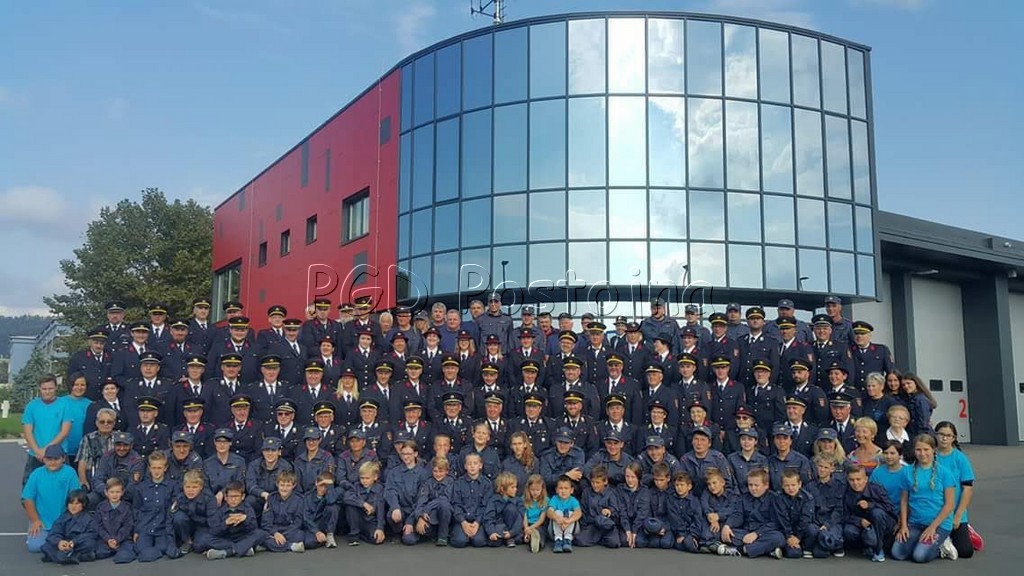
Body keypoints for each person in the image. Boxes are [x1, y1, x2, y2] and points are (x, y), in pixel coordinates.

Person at [892, 434, 959, 563]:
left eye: (926, 449)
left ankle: (942, 545)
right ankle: (920, 541)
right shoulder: (906, 472)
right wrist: (903, 525)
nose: (922, 453)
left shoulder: (945, 473)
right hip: (915, 522)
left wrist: (932, 527)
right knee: (898, 554)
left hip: (938, 524)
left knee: (919, 556)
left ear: (933, 450)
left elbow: (949, 505)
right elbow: (904, 500)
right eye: (918, 450)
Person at [22, 445, 80, 553]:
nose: (53, 462)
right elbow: (27, 498)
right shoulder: (36, 474)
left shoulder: (70, 473)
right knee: (35, 547)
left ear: (63, 458)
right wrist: (35, 520)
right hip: (43, 520)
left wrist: (73, 520)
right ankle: (56, 543)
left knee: (77, 543)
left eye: (56, 459)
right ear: (43, 459)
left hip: (64, 520)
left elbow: (76, 497)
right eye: (49, 459)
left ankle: (55, 542)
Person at [719, 468, 785, 558]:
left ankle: (740, 550)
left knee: (778, 538)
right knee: (725, 532)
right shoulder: (744, 497)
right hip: (746, 532)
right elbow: (738, 515)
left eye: (756, 485)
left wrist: (756, 534)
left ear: (766, 485)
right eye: (750, 485)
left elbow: (775, 523)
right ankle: (767, 550)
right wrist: (728, 525)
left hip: (764, 533)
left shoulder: (774, 499)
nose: (753, 488)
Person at [934, 421, 976, 559]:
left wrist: (958, 515)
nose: (944, 438)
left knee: (965, 551)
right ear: (935, 435)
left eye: (948, 435)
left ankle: (967, 530)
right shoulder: (930, 455)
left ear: (954, 438)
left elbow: (968, 488)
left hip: (954, 510)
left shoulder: (960, 458)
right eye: (941, 434)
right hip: (934, 510)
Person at [130, 451, 181, 562]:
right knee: (140, 549)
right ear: (149, 468)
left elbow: (173, 511)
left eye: (159, 468)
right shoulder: (141, 487)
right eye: (154, 468)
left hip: (163, 528)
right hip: (146, 527)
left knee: (165, 548)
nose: (156, 471)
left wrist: (170, 533)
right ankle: (148, 552)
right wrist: (137, 530)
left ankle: (154, 551)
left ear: (165, 468)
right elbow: (136, 510)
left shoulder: (173, 486)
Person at [22, 374, 72, 485]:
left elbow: (64, 431)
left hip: (58, 454)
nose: (47, 392)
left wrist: (47, 450)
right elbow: (27, 431)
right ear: (39, 388)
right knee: (30, 485)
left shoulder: (64, 405)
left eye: (50, 388)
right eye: (44, 389)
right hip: (36, 455)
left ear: (56, 388)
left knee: (61, 486)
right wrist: (37, 451)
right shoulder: (32, 406)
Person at [842, 463, 897, 562]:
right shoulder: (846, 493)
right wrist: (859, 521)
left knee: (877, 512)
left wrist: (870, 505)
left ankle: (879, 548)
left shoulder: (877, 489)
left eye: (858, 479)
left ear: (866, 479)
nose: (855, 483)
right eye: (851, 480)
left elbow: (890, 507)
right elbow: (844, 515)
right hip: (862, 525)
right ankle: (865, 546)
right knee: (848, 531)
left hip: (882, 524)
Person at [205, 480, 266, 560]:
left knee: (261, 534)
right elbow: (214, 530)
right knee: (206, 539)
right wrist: (226, 523)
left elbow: (254, 527)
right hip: (227, 538)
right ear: (226, 497)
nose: (233, 499)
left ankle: (228, 552)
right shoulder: (221, 510)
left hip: (242, 536)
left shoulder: (247, 508)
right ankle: (244, 549)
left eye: (236, 496)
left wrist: (245, 519)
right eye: (231, 496)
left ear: (242, 496)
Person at [385, 440, 429, 543]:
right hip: (401, 510)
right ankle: (397, 532)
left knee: (409, 540)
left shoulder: (423, 473)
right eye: (403, 454)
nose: (405, 457)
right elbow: (390, 491)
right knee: (391, 514)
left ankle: (412, 531)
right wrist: (395, 507)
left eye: (409, 454)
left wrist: (411, 520)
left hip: (415, 511)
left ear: (415, 454)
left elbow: (422, 499)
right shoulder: (394, 472)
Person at [804, 455, 846, 558]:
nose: (822, 470)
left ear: (832, 469)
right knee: (814, 535)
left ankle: (834, 546)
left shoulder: (839, 486)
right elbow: (807, 508)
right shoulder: (809, 486)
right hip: (815, 522)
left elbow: (839, 510)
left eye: (826, 467)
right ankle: (818, 546)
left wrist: (827, 525)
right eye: (820, 466)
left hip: (832, 522)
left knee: (832, 537)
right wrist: (816, 524)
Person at [39, 490, 95, 565]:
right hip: (64, 543)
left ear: (83, 504)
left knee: (90, 544)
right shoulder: (63, 517)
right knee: (46, 546)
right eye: (71, 503)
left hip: (78, 544)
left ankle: (61, 557)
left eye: (77, 504)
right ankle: (71, 557)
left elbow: (91, 534)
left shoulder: (89, 518)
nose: (73, 506)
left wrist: (74, 542)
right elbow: (54, 532)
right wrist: (59, 542)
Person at [451, 453, 492, 548]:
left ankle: (473, 535)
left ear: (480, 465)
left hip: (479, 521)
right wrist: (463, 523)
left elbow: (486, 506)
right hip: (462, 520)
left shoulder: (487, 484)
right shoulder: (458, 483)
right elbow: (456, 504)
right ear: (465, 466)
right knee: (459, 542)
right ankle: (460, 534)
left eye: (475, 463)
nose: (472, 466)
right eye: (469, 464)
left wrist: (477, 523)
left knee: (479, 541)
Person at [171, 470, 216, 556]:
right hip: (188, 525)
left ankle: (199, 542)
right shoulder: (180, 498)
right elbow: (171, 517)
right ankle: (187, 541)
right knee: (178, 517)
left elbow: (212, 521)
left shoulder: (209, 498)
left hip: (203, 526)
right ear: (183, 487)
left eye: (194, 487)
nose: (190, 490)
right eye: (187, 487)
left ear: (201, 487)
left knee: (199, 546)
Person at [411, 457, 455, 546]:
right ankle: (433, 534)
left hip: (448, 516)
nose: (438, 474)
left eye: (441, 471)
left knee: (444, 505)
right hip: (431, 515)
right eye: (435, 471)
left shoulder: (451, 482)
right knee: (422, 529)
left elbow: (444, 499)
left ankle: (443, 536)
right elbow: (421, 501)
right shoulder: (427, 483)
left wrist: (427, 508)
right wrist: (420, 516)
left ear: (447, 471)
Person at [260, 470, 306, 553]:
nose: (284, 488)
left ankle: (272, 545)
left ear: (294, 485)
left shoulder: (299, 499)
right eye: (282, 485)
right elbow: (266, 522)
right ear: (277, 484)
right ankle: (291, 546)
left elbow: (298, 522)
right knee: (260, 535)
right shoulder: (271, 498)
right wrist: (275, 533)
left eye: (288, 485)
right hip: (274, 530)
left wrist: (283, 535)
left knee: (300, 535)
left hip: (290, 531)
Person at [576, 465, 622, 548]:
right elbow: (584, 511)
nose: (594, 485)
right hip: (592, 525)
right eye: (592, 482)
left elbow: (616, 512)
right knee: (580, 540)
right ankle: (597, 538)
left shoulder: (612, 493)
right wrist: (585, 526)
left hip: (607, 526)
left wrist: (610, 511)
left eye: (598, 483)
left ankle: (599, 539)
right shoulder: (586, 492)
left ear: (605, 481)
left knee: (614, 543)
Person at [343, 460, 386, 545]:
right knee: (350, 506)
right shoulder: (356, 486)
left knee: (376, 540)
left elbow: (381, 510)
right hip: (358, 519)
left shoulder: (380, 489)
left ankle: (363, 535)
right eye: (362, 478)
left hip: (371, 521)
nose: (364, 481)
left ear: (375, 477)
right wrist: (363, 504)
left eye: (367, 478)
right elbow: (346, 497)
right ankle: (354, 534)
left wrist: (380, 528)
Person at [94, 477, 138, 562]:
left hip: (123, 540)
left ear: (122, 492)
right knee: (99, 552)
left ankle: (119, 551)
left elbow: (128, 526)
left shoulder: (127, 507)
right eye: (112, 492)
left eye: (118, 492)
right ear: (106, 492)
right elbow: (98, 526)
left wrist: (117, 539)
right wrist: (108, 539)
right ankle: (111, 549)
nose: (115, 495)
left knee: (124, 557)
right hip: (106, 540)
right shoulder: (101, 507)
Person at [774, 469, 815, 559]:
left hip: (801, 531)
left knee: (812, 530)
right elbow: (782, 519)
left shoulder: (808, 498)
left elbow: (805, 519)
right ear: (782, 486)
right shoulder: (778, 497)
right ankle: (785, 547)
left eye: (793, 485)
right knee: (794, 554)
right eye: (787, 485)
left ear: (799, 484)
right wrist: (789, 536)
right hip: (785, 531)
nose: (790, 488)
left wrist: (797, 537)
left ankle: (805, 547)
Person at [77, 408, 117, 491]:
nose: (105, 424)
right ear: (97, 423)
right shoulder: (88, 438)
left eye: (109, 422)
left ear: (114, 423)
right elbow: (82, 462)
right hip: (92, 478)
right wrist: (83, 481)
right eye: (102, 422)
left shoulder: (120, 438)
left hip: (114, 481)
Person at [667, 471, 706, 553]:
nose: (679, 488)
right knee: (670, 543)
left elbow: (697, 520)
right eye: (677, 485)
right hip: (678, 532)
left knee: (688, 542)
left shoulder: (695, 501)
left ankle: (696, 543)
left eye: (682, 485)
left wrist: (692, 535)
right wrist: (682, 534)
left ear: (689, 486)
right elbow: (674, 520)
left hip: (691, 532)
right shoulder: (671, 500)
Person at [700, 468, 737, 553]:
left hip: (725, 521)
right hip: (711, 521)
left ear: (723, 483)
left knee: (732, 533)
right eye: (709, 484)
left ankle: (714, 543)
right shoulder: (706, 493)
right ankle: (710, 543)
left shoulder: (732, 495)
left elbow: (731, 509)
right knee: (705, 526)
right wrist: (710, 515)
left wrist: (718, 516)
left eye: (714, 483)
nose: (712, 487)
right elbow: (704, 504)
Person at [484, 471, 526, 547]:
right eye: (512, 487)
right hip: (500, 527)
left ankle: (511, 538)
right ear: (503, 489)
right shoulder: (494, 500)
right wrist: (491, 532)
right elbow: (489, 517)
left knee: (511, 509)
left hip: (514, 530)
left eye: (516, 487)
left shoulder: (518, 500)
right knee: (495, 542)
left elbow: (521, 517)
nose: (515, 489)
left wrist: (511, 533)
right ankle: (503, 538)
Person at [301, 472, 341, 550]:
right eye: (321, 485)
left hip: (325, 524)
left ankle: (329, 535)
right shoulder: (307, 496)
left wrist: (330, 489)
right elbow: (306, 517)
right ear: (316, 483)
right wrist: (316, 531)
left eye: (326, 486)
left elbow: (331, 501)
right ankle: (323, 539)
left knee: (333, 507)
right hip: (312, 525)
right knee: (309, 543)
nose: (323, 489)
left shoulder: (333, 494)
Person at [639, 462, 675, 549]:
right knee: (652, 544)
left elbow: (673, 515)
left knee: (665, 544)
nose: (658, 483)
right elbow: (647, 512)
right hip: (653, 523)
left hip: (668, 525)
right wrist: (649, 527)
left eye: (661, 480)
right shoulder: (650, 492)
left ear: (668, 478)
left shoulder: (673, 493)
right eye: (656, 480)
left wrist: (665, 528)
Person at [60, 373, 93, 466]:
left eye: (82, 385)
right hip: (63, 451)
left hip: (83, 451)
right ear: (71, 385)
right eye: (76, 384)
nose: (79, 387)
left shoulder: (91, 405)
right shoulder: (60, 402)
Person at [617, 462, 650, 550]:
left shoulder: (645, 491)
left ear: (638, 477)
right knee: (624, 541)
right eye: (627, 476)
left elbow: (642, 513)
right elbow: (622, 511)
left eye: (633, 477)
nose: (630, 480)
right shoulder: (620, 489)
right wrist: (627, 530)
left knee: (640, 542)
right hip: (625, 523)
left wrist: (634, 532)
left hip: (640, 524)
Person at [547, 475, 583, 553]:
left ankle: (567, 539)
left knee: (571, 513)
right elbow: (549, 512)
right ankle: (558, 540)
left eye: (566, 488)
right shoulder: (554, 499)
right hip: (555, 530)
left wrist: (568, 521)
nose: (563, 491)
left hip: (571, 529)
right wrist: (558, 518)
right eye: (560, 488)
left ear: (571, 490)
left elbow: (578, 512)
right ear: (556, 490)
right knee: (557, 512)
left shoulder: (573, 500)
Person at [727, 428, 768, 495]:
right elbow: (731, 481)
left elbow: (764, 481)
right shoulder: (731, 458)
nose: (746, 442)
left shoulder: (762, 459)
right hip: (738, 496)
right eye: (743, 439)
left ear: (755, 441)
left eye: (750, 439)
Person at [871, 440, 910, 510]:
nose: (888, 456)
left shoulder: (908, 472)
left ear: (900, 455)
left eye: (892, 453)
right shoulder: (877, 473)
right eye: (886, 453)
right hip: (883, 510)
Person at [861, 372, 899, 443]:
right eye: (868, 386)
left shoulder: (891, 402)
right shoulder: (864, 401)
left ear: (881, 386)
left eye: (873, 386)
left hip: (885, 438)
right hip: (867, 438)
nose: (870, 388)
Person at [901, 372, 938, 437]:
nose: (906, 386)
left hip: (920, 435)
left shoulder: (921, 400)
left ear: (916, 383)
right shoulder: (911, 398)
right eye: (903, 385)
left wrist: (922, 437)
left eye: (908, 383)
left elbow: (923, 422)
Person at [522, 473, 549, 553]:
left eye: (537, 490)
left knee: (541, 533)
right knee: (521, 535)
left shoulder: (546, 500)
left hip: (539, 525)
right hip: (527, 524)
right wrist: (526, 528)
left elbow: (541, 519)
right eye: (532, 490)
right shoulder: (523, 499)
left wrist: (531, 528)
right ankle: (529, 537)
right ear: (528, 489)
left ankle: (537, 542)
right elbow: (525, 516)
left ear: (542, 489)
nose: (535, 492)